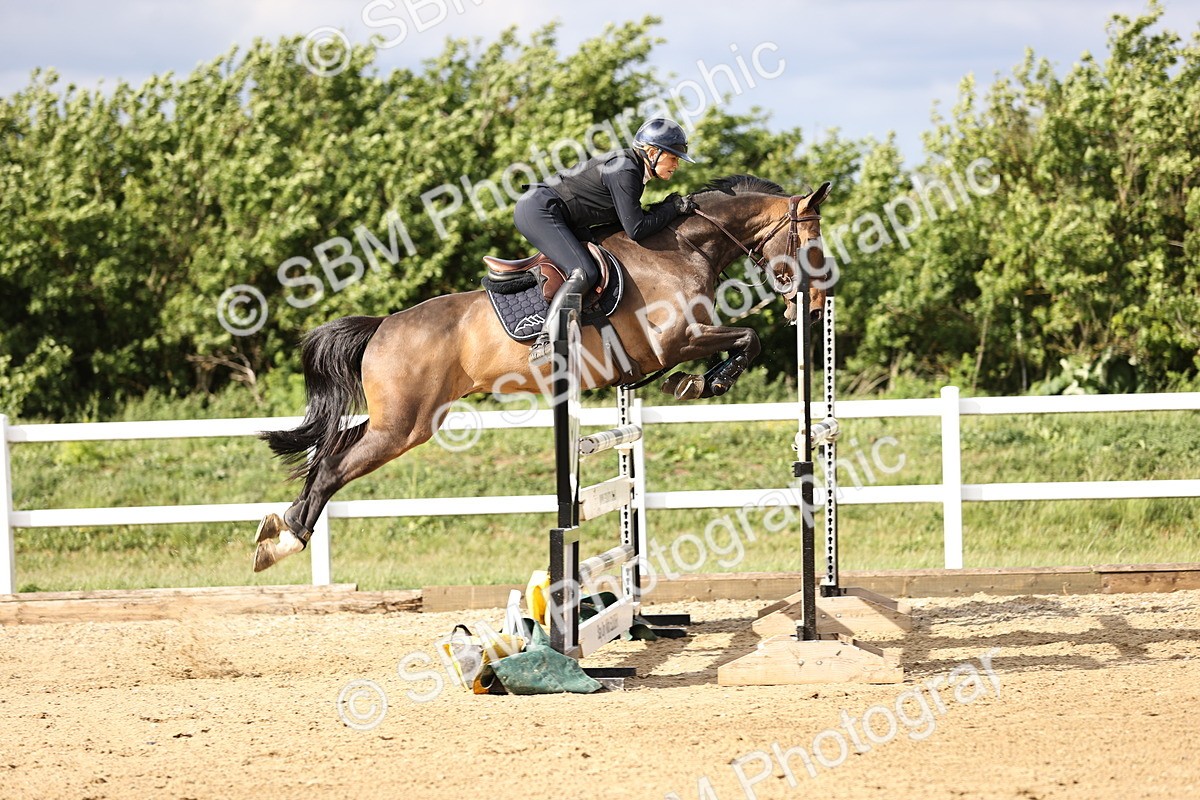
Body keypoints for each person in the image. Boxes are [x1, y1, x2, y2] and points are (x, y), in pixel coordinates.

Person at [516, 118, 698, 365]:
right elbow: (636, 228)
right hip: (541, 210)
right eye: (673, 158)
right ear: (653, 152)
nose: (676, 165)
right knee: (584, 271)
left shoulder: (632, 170)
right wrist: (672, 208)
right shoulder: (626, 170)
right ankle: (546, 340)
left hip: (559, 214)